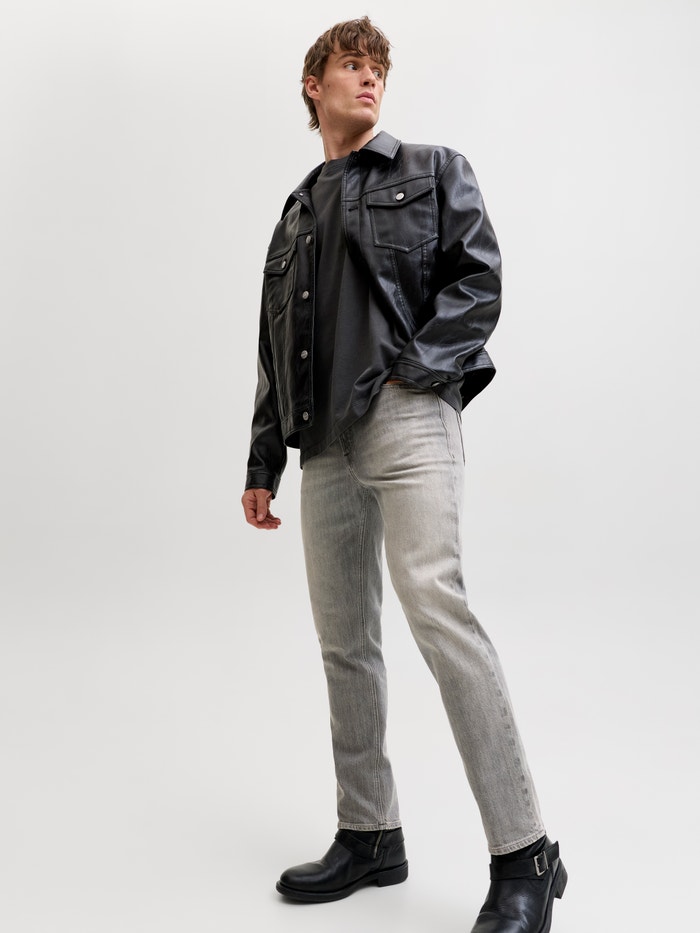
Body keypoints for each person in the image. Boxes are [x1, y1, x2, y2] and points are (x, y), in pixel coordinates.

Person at [241, 16, 566, 933]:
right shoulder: (294, 214)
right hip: (323, 444)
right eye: (352, 65)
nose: (370, 78)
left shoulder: (433, 169)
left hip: (407, 415)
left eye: (378, 67)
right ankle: (371, 832)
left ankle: (526, 854)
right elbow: (273, 349)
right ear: (315, 86)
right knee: (344, 639)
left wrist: (412, 375)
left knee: (437, 607)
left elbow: (478, 280)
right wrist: (263, 458)